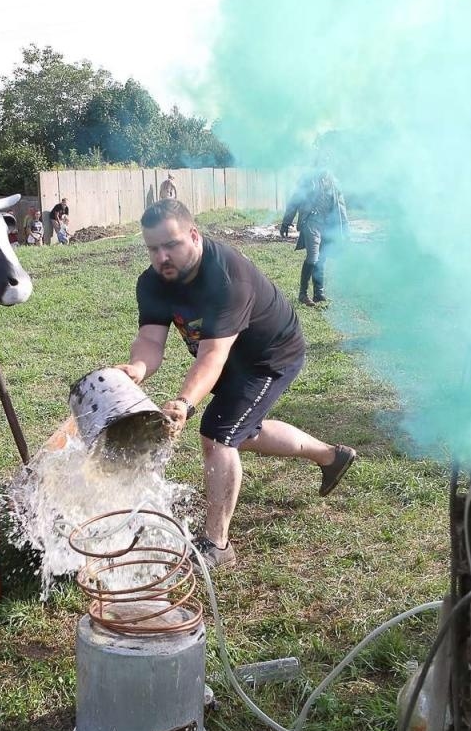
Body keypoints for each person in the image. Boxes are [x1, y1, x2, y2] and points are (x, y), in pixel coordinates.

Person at [117, 200, 356, 569]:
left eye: (172, 244)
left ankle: (217, 545)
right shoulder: (153, 282)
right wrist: (136, 369)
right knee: (242, 432)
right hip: (229, 359)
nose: (162, 256)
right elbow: (150, 340)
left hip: (269, 356)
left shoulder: (225, 277)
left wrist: (184, 402)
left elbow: (212, 354)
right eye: (153, 248)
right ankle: (331, 456)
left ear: (194, 236)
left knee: (217, 433)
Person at [280, 170, 348, 306]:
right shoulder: (307, 180)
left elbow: (340, 206)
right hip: (311, 221)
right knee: (313, 257)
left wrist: (345, 227)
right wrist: (286, 222)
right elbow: (295, 200)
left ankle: (318, 293)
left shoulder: (334, 182)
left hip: (327, 224)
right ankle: (303, 294)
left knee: (322, 258)